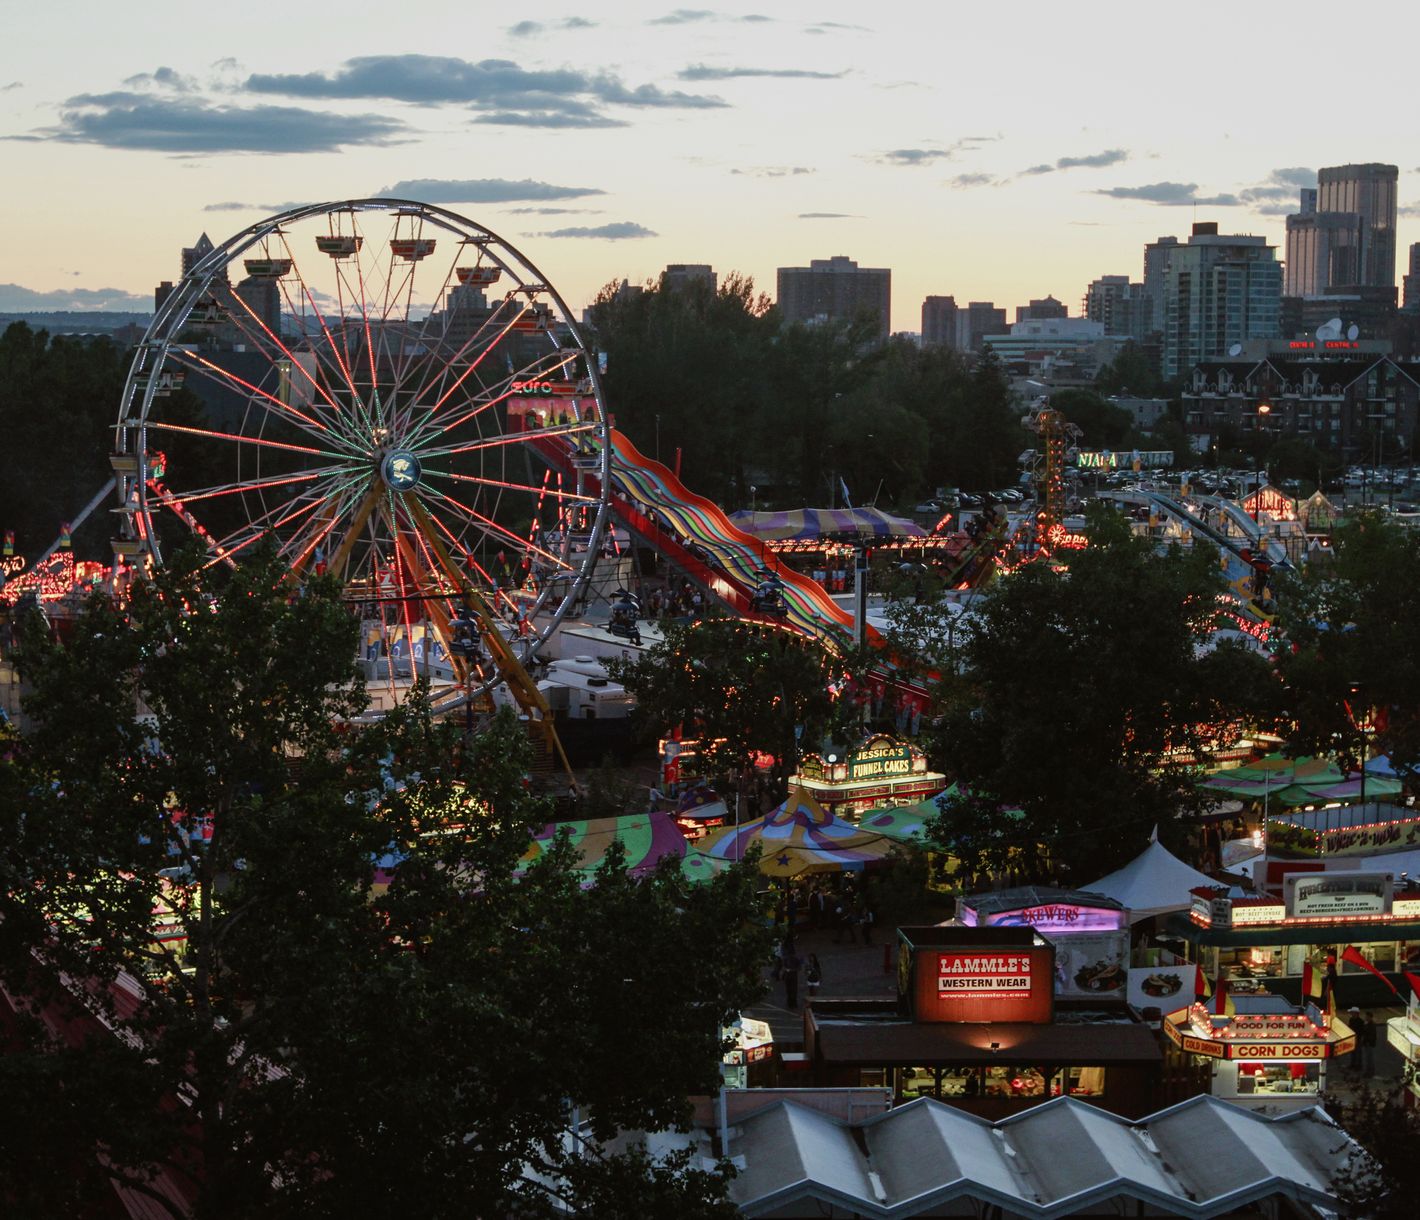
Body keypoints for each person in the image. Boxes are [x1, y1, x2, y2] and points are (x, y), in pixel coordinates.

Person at [781, 941, 802, 1011]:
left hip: (793, 976)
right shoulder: (786, 959)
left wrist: (791, 970)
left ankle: (793, 1002)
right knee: (789, 990)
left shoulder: (795, 959)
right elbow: (784, 966)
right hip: (788, 976)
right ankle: (790, 1002)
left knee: (793, 990)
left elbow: (799, 968)